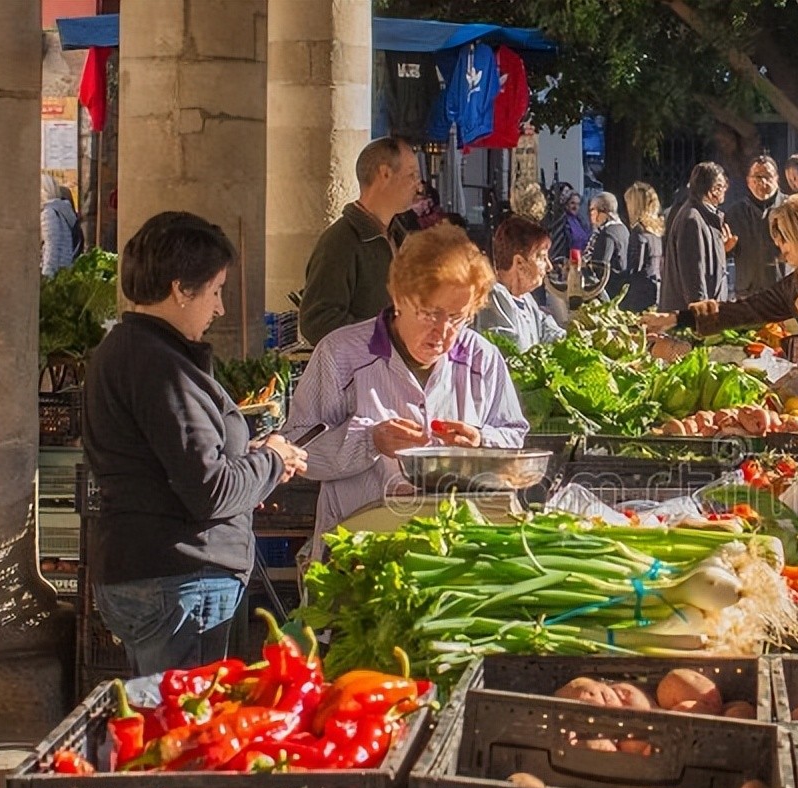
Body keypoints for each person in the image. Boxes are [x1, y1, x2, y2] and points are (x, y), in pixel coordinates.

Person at [82, 211, 308, 675]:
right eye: (215, 291)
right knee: (184, 728)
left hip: (155, 572)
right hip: (179, 579)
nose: (220, 308)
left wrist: (250, 471)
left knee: (163, 716)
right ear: (180, 289)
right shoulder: (159, 366)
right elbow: (210, 488)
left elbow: (178, 468)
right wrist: (270, 460)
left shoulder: (125, 351)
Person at [284, 223, 528, 560]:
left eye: (458, 318)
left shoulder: (482, 359)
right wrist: (369, 441)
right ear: (400, 298)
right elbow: (295, 451)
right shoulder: (340, 354)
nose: (442, 332)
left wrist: (481, 441)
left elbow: (514, 437)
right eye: (430, 313)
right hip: (357, 551)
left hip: (454, 554)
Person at [642, 193, 798, 339]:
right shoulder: (796, 283)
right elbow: (747, 309)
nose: (778, 244)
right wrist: (678, 318)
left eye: (784, 236)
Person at [299, 136, 419, 345]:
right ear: (385, 174)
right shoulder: (340, 242)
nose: (418, 186)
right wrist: (386, 336)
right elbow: (317, 321)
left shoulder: (402, 238)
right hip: (360, 373)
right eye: (412, 175)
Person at [476, 215, 565, 352]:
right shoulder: (494, 297)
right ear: (519, 263)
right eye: (541, 257)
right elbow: (512, 353)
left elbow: (546, 328)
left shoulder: (525, 298)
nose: (549, 266)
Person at [659, 162, 735, 311]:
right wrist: (702, 315)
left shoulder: (702, 216)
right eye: (723, 186)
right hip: (689, 317)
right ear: (715, 189)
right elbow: (693, 273)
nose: (725, 190)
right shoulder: (692, 220)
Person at [728, 156, 786, 297]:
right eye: (757, 177)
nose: (763, 182)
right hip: (748, 292)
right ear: (748, 181)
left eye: (768, 176)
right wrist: (726, 249)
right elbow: (727, 253)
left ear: (777, 178)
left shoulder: (789, 207)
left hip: (783, 291)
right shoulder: (735, 212)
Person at [622, 181, 664, 311]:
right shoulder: (656, 230)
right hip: (656, 286)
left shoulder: (638, 230)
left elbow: (635, 266)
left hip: (640, 292)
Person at [585, 191, 632, 301]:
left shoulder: (607, 233)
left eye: (592, 210)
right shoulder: (623, 229)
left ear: (603, 212)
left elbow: (599, 266)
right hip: (621, 288)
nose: (591, 215)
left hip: (609, 292)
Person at [41, 174, 81, 277]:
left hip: (55, 271)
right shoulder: (61, 209)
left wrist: (47, 275)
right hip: (64, 267)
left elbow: (52, 245)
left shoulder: (48, 213)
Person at [549, 186, 591, 265]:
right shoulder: (562, 221)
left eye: (578, 204)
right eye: (572, 203)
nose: (575, 207)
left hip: (582, 261)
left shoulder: (581, 221)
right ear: (566, 204)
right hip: (568, 262)